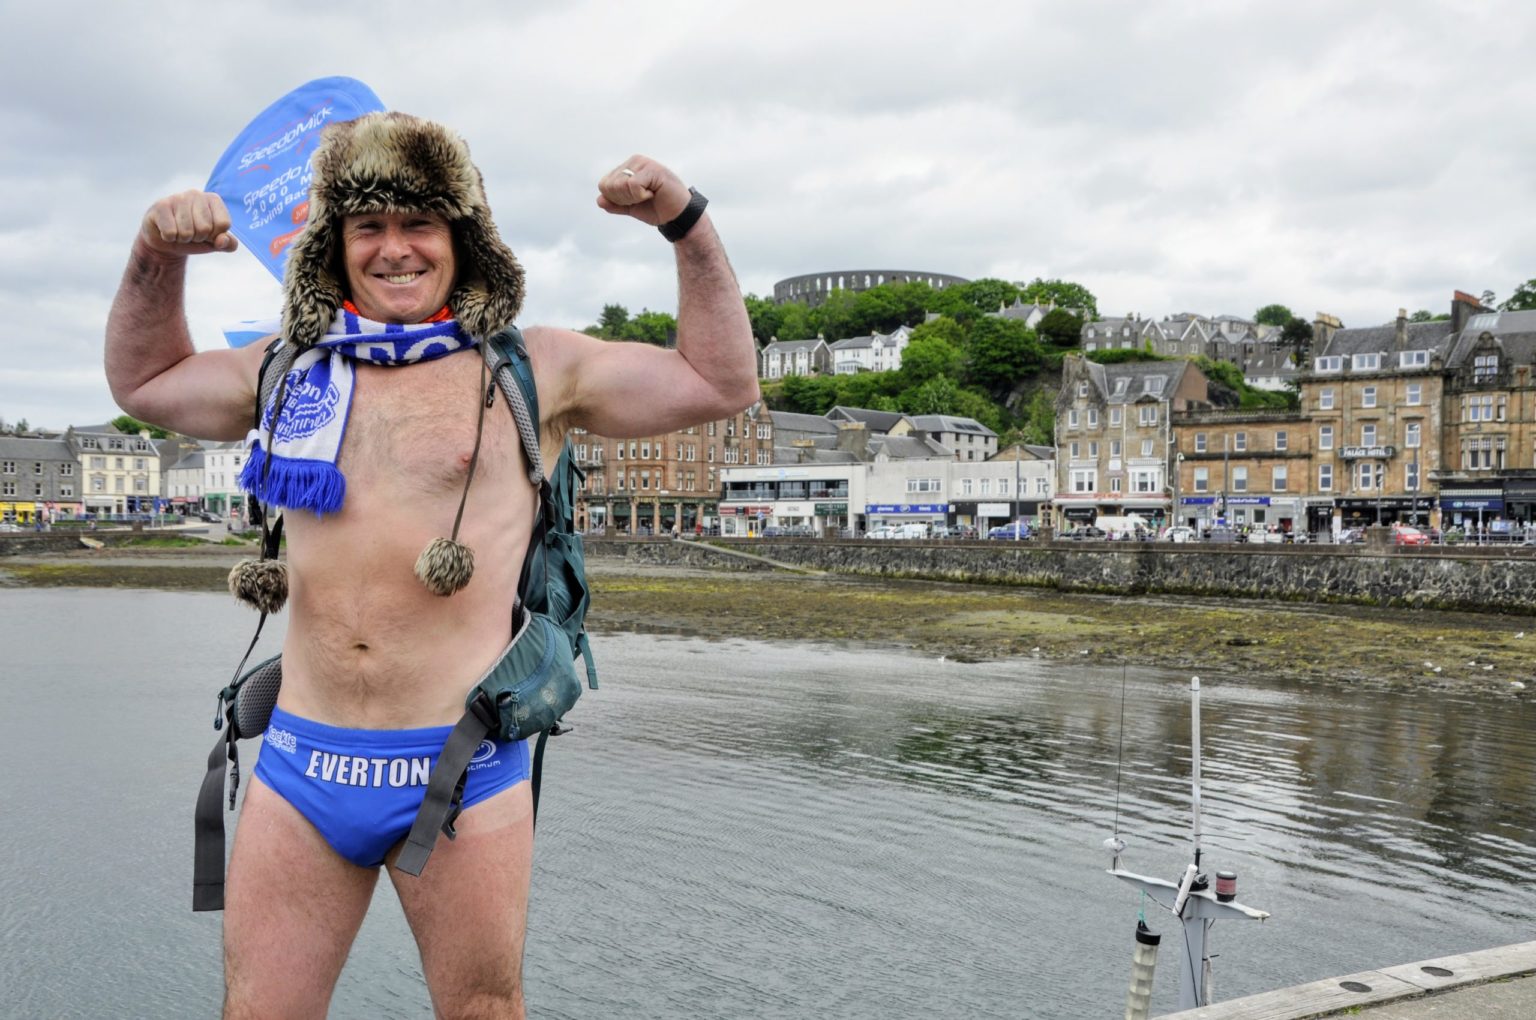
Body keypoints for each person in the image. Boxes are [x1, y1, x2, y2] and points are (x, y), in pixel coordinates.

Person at [104, 112, 757, 1019]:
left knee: (483, 1010)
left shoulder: (538, 367)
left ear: (464, 240)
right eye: (367, 227)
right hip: (300, 762)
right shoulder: (288, 369)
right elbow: (144, 381)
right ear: (334, 247)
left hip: (461, 768)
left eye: (420, 225)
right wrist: (155, 252)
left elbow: (720, 383)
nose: (394, 249)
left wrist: (685, 222)